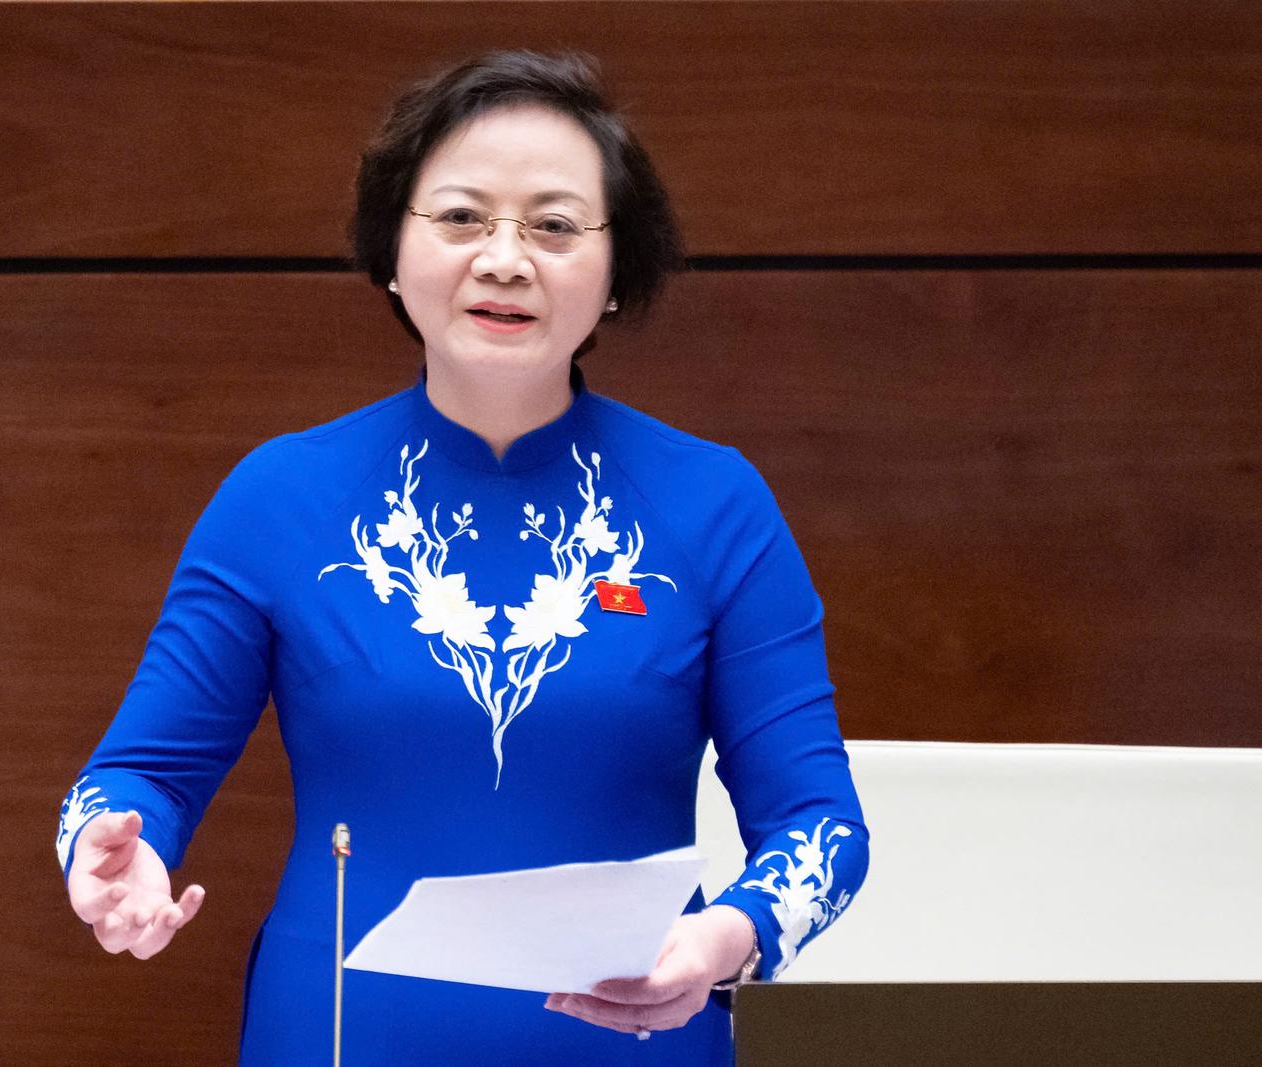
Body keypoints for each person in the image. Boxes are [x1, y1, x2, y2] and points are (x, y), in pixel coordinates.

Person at [57, 49, 868, 1063]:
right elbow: (137, 773)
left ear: (617, 272)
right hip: (338, 1035)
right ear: (393, 252)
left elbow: (819, 822)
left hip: (640, 1037)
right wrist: (108, 854)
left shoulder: (715, 504)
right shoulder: (280, 496)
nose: (504, 259)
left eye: (555, 226)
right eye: (461, 217)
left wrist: (729, 936)